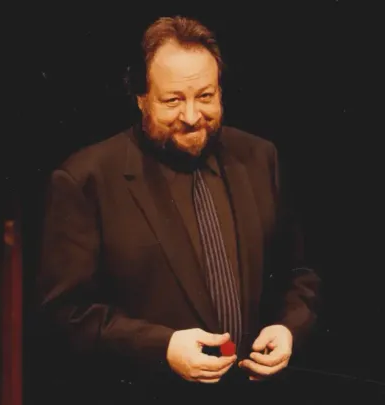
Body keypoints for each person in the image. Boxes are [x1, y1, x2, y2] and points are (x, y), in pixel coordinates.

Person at [37, 15, 320, 402]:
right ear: (140, 97)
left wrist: (289, 328)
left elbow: (299, 274)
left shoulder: (259, 157)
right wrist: (163, 349)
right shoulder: (86, 179)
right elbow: (66, 314)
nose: (191, 117)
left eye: (205, 97)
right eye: (173, 100)